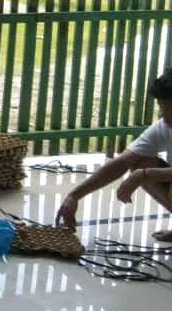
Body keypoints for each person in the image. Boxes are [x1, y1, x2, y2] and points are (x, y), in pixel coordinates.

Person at [56, 67, 172, 242]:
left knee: (145, 172)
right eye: (160, 107)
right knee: (139, 162)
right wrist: (74, 196)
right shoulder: (164, 125)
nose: (163, 115)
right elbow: (123, 162)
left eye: (167, 107)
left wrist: (143, 175)